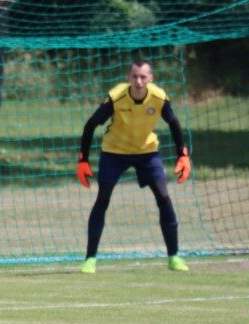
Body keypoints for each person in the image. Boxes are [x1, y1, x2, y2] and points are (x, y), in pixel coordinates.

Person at [76, 59, 191, 274]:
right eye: (135, 76)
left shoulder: (159, 97)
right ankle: (90, 259)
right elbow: (90, 125)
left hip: (147, 152)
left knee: (164, 197)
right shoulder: (116, 97)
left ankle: (174, 257)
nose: (139, 81)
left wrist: (183, 155)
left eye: (143, 77)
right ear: (128, 78)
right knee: (103, 199)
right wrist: (83, 160)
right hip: (114, 152)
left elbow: (174, 123)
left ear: (150, 79)